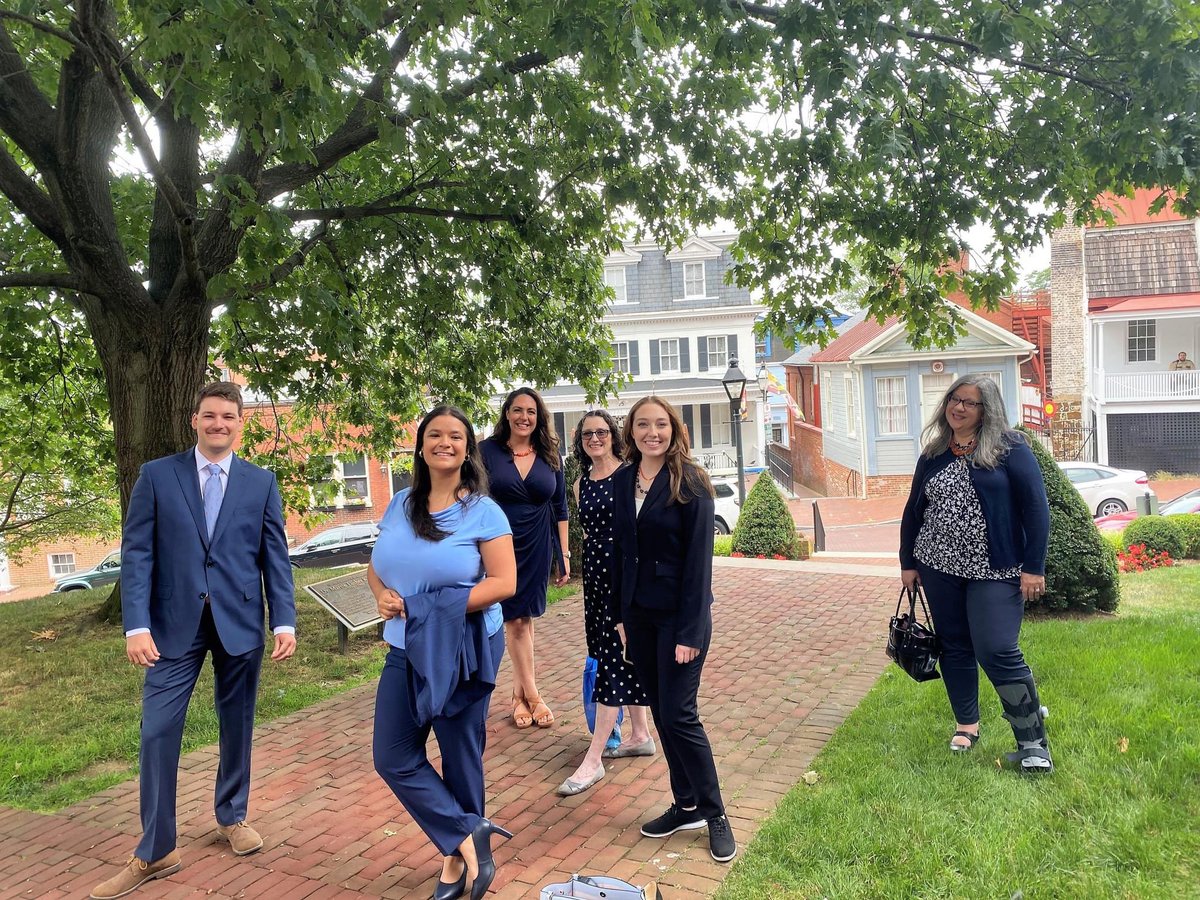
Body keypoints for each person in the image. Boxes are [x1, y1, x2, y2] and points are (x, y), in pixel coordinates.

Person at [91, 382, 297, 900]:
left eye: (228, 416)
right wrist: (135, 625)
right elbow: (137, 552)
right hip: (171, 626)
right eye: (210, 416)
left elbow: (275, 557)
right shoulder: (157, 476)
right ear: (194, 420)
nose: (219, 424)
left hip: (240, 622)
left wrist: (284, 621)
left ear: (240, 422)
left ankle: (232, 815)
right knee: (157, 731)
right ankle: (157, 849)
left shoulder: (261, 482)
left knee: (238, 725)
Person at [369, 406, 518, 900]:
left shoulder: (483, 511)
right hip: (404, 647)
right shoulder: (400, 503)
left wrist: (424, 607)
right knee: (392, 755)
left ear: (467, 448)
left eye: (456, 436)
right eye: (435, 435)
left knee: (459, 753)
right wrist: (381, 595)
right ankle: (466, 832)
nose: (445, 443)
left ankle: (459, 859)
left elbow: (504, 582)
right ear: (421, 445)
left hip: (465, 646)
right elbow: (377, 565)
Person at [899, 374, 1053, 772]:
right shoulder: (934, 452)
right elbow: (914, 510)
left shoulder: (1010, 447)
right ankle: (967, 725)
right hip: (938, 566)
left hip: (995, 568)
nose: (959, 407)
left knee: (998, 648)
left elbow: (1036, 507)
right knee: (954, 645)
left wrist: (1034, 567)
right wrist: (908, 563)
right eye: (954, 399)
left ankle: (1032, 742)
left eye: (969, 402)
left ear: (988, 410)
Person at [609, 396, 737, 863]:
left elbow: (698, 564)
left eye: (659, 424)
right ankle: (685, 805)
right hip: (639, 617)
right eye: (642, 425)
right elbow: (623, 552)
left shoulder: (692, 480)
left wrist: (690, 631)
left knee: (681, 715)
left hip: (680, 618)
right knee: (662, 713)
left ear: (673, 428)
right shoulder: (624, 479)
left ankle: (715, 812)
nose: (651, 433)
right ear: (632, 431)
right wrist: (621, 615)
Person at [556, 411, 654, 797]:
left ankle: (593, 759)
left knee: (612, 660)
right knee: (608, 652)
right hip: (594, 582)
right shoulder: (580, 483)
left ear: (613, 436)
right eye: (586, 434)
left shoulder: (630, 477)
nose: (594, 438)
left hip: (623, 579)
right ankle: (641, 734)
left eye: (601, 432)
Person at [479, 387, 569, 730]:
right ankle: (534, 695)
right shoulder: (486, 451)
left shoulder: (549, 454)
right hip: (499, 545)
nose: (524, 417)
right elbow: (471, 498)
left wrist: (564, 556)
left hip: (537, 544)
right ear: (506, 414)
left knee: (524, 619)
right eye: (517, 410)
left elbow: (560, 507)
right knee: (514, 620)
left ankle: (518, 698)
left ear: (539, 417)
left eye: (531, 412)